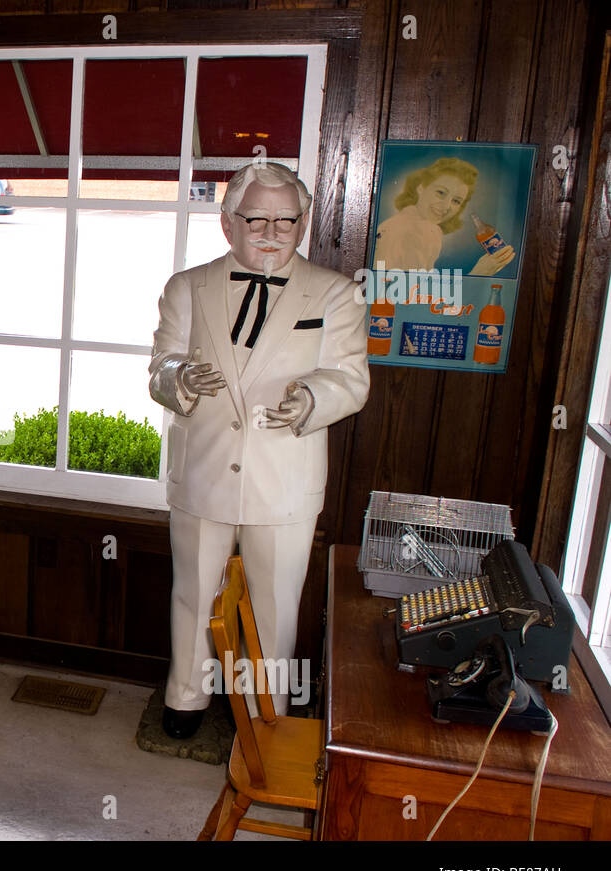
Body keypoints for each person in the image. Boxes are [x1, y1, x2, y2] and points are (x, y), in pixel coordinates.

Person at [148, 162, 370, 739]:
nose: (272, 232)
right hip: (203, 470)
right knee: (194, 592)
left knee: (275, 604)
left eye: (286, 221)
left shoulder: (336, 293)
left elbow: (351, 379)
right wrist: (179, 379)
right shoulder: (186, 287)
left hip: (285, 477)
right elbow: (160, 365)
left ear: (304, 224)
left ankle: (265, 710)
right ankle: (185, 697)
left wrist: (312, 398)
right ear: (227, 224)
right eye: (256, 220)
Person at [373, 156, 515, 276]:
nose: (447, 206)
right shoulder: (409, 230)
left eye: (456, 201)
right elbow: (410, 302)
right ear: (421, 188)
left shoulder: (431, 230)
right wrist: (479, 273)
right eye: (440, 192)